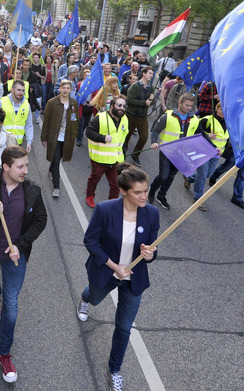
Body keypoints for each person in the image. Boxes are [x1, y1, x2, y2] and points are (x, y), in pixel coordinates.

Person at [76, 164, 159, 391]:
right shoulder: (104, 210)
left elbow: (152, 250)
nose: (144, 196)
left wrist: (149, 254)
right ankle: (85, 298)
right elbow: (90, 241)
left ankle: (114, 370)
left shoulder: (152, 213)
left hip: (134, 280)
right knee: (93, 298)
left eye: (146, 190)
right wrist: (114, 266)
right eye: (138, 192)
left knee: (124, 327)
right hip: (106, 272)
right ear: (123, 191)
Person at [0, 145, 48, 384]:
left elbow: (40, 220)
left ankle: (4, 353)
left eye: (26, 165)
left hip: (16, 260)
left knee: (11, 306)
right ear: (6, 167)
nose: (26, 170)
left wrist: (21, 245)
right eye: (21, 166)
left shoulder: (32, 191)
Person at [147, 93, 195, 209]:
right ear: (180, 103)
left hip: (181, 154)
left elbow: (201, 133)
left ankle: (161, 195)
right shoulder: (167, 116)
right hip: (167, 151)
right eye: (187, 105)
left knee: (171, 176)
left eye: (191, 106)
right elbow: (155, 130)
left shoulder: (194, 119)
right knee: (163, 175)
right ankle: (151, 191)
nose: (189, 108)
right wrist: (153, 141)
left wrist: (213, 145)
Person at [84, 96, 129, 209]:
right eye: (119, 105)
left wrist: (123, 154)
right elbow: (89, 132)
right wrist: (102, 138)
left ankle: (112, 203)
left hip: (116, 160)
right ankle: (89, 196)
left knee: (115, 184)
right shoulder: (101, 118)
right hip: (100, 159)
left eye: (124, 106)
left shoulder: (125, 119)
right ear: (112, 106)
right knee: (94, 179)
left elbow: (123, 139)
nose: (121, 108)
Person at [186, 102, 228, 211]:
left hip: (217, 154)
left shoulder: (229, 123)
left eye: (224, 110)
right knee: (203, 175)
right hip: (204, 150)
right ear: (216, 108)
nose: (222, 112)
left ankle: (190, 178)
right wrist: (209, 136)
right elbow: (195, 130)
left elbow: (225, 139)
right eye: (220, 109)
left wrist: (224, 151)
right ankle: (198, 199)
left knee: (208, 174)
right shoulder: (208, 119)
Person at [41, 79, 79, 199]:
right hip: (55, 136)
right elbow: (46, 121)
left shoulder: (73, 103)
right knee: (56, 161)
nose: (65, 90)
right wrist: (44, 137)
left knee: (59, 158)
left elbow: (76, 120)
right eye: (63, 88)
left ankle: (51, 169)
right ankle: (56, 187)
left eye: (68, 88)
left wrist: (75, 134)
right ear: (59, 89)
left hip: (67, 137)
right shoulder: (52, 103)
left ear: (71, 89)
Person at [123, 67, 155, 166]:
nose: (152, 75)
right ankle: (122, 154)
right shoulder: (134, 87)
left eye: (152, 73)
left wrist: (152, 100)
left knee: (144, 137)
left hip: (143, 117)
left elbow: (151, 103)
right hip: (131, 116)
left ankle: (135, 155)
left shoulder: (151, 88)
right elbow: (129, 100)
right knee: (126, 137)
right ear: (143, 74)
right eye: (150, 73)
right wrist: (144, 103)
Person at [1, 80, 34, 153]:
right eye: (18, 90)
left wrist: (29, 141)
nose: (21, 93)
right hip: (3, 142)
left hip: (18, 143)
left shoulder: (26, 105)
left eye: (23, 90)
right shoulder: (2, 102)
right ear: (12, 90)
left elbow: (29, 125)